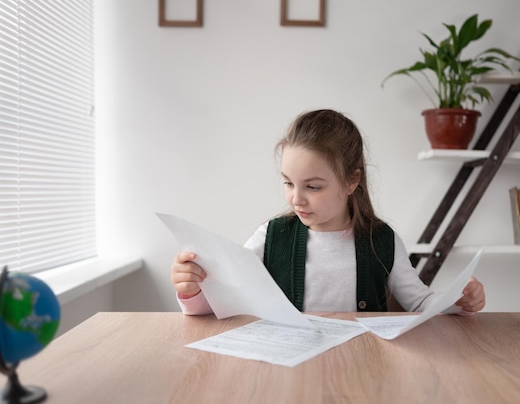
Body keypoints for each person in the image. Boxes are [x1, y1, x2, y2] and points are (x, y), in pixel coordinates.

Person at [171, 109, 485, 315]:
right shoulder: (270, 238)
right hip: (289, 371)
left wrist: (458, 301)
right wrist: (192, 290)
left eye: (314, 187)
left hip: (363, 369)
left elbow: (421, 302)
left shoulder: (382, 241)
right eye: (288, 183)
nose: (297, 199)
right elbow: (221, 302)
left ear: (351, 181)